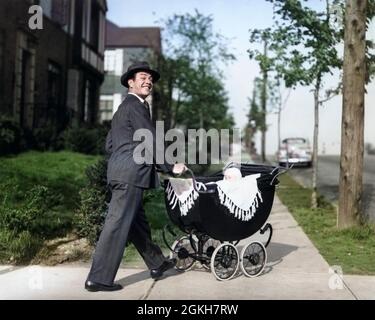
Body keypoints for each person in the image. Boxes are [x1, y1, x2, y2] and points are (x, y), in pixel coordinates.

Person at [85, 61, 187, 292]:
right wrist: (170, 165)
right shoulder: (137, 106)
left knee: (136, 223)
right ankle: (98, 278)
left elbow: (110, 144)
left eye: (150, 78)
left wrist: (123, 160)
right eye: (143, 76)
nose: (148, 81)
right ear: (130, 82)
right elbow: (148, 138)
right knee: (117, 224)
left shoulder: (122, 109)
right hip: (130, 174)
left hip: (120, 172)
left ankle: (156, 262)